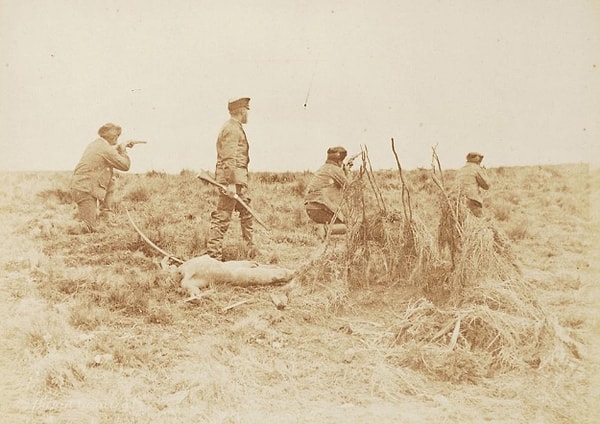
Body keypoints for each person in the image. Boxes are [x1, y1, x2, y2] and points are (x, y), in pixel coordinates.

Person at [206, 97, 257, 261]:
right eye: (247, 110)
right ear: (242, 111)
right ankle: (213, 256)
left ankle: (249, 250)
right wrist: (231, 183)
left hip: (238, 182)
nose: (248, 113)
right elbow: (229, 158)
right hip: (232, 182)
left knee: (247, 213)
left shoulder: (234, 127)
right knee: (223, 217)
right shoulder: (232, 129)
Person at [69, 123, 132, 233]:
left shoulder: (96, 144)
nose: (117, 140)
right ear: (114, 137)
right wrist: (123, 149)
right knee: (88, 227)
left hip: (81, 187)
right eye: (117, 137)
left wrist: (118, 148)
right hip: (85, 190)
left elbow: (109, 153)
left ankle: (106, 215)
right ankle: (54, 226)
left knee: (112, 179)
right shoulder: (106, 149)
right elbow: (125, 165)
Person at [304, 146, 352, 237]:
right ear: (339, 161)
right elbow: (350, 187)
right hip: (320, 208)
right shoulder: (335, 170)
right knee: (349, 225)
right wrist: (347, 171)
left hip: (311, 208)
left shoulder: (324, 168)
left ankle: (319, 228)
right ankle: (324, 229)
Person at [456, 151, 490, 217]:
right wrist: (484, 172)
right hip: (472, 201)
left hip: (459, 202)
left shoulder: (461, 170)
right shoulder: (476, 168)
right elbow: (487, 185)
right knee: (477, 223)